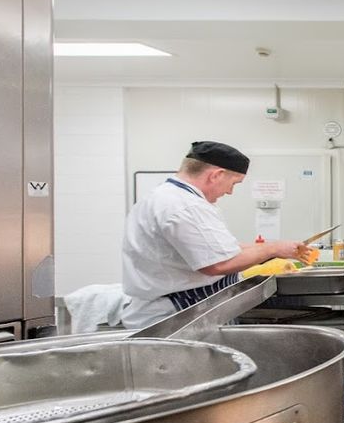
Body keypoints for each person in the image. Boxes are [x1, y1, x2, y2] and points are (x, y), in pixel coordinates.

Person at [121, 141, 308, 328]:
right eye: (233, 183)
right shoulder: (185, 206)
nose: (230, 191)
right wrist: (272, 249)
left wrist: (279, 247)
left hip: (187, 309)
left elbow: (221, 249)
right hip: (179, 314)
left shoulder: (168, 198)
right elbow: (218, 264)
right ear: (216, 175)